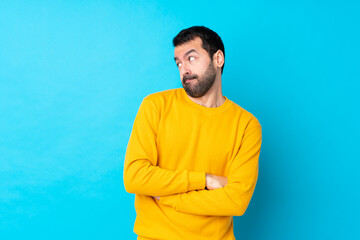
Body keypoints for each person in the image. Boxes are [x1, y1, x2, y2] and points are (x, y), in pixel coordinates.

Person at [124, 26, 262, 240]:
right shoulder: (155, 106)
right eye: (178, 62)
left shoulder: (246, 125)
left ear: (218, 59)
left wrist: (168, 198)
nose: (183, 69)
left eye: (191, 58)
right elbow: (135, 177)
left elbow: (236, 201)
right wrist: (204, 179)